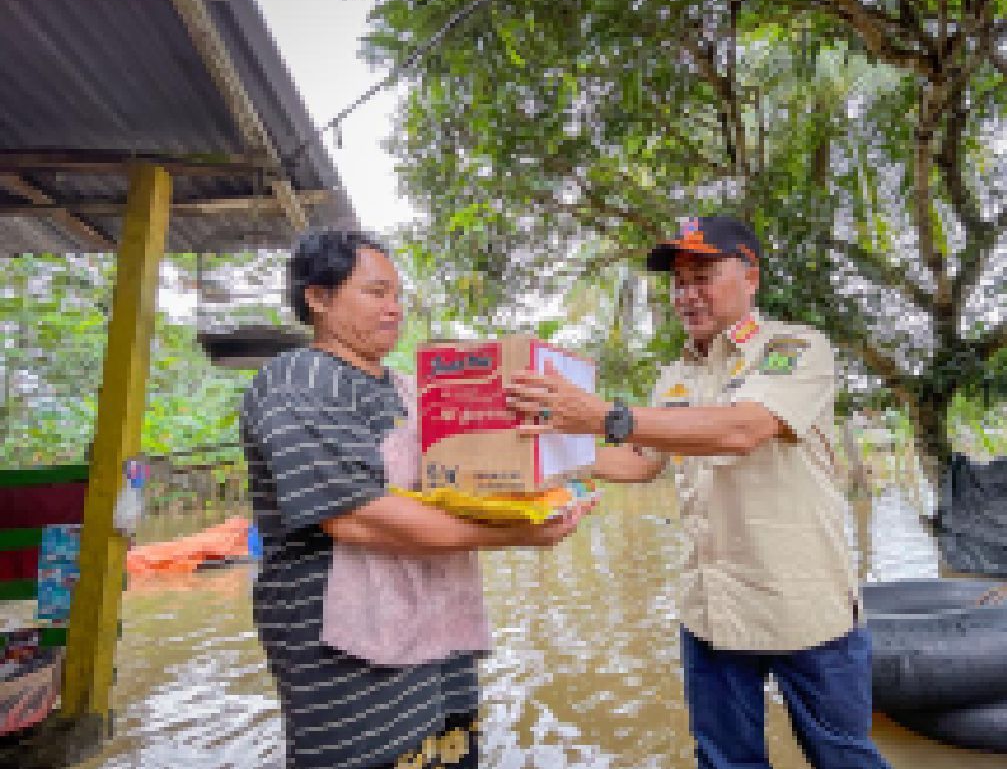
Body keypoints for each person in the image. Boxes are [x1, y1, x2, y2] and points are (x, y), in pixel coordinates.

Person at [507, 216, 891, 769]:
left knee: (841, 757)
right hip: (711, 612)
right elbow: (641, 462)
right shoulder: (674, 378)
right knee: (725, 761)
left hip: (803, 608)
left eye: (702, 274)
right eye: (678, 281)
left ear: (750, 275)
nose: (687, 294)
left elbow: (743, 429)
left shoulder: (795, 348)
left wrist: (606, 416)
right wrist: (547, 458)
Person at [240, 229, 591, 769]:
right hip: (344, 648)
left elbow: (478, 469)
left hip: (431, 624)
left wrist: (575, 460)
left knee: (447, 751)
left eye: (398, 296)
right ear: (318, 296)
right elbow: (359, 519)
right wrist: (520, 533)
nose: (393, 309)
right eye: (375, 293)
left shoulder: (407, 389)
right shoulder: (300, 379)